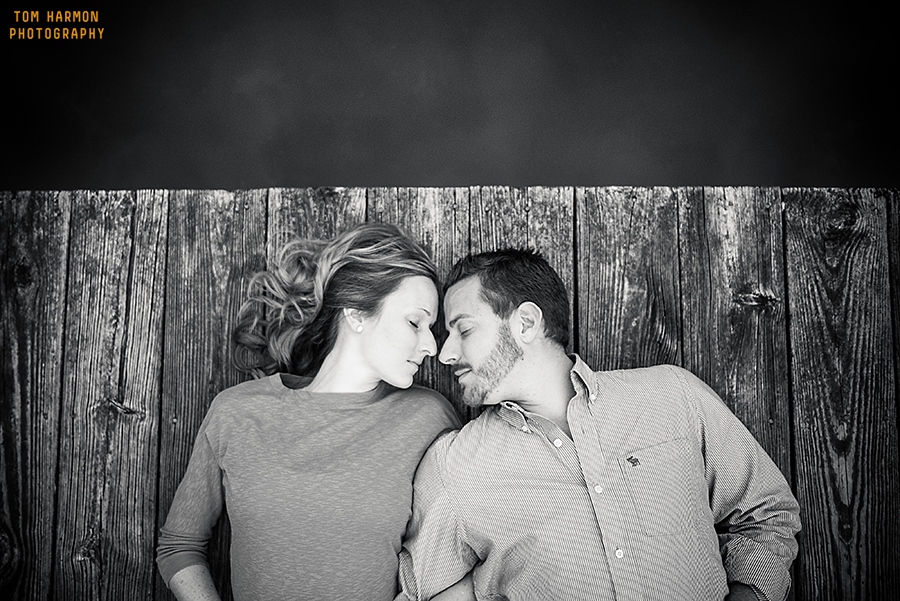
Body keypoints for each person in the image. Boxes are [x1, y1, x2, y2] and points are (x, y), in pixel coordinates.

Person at [397, 248, 802, 601]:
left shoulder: (673, 397)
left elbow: (768, 515)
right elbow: (421, 591)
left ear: (525, 323)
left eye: (463, 329)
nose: (445, 354)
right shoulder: (454, 466)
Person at [156, 223, 468, 601]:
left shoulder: (430, 417)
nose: (430, 347)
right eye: (415, 322)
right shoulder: (237, 411)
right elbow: (180, 545)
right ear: (356, 313)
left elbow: (453, 557)